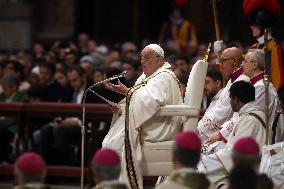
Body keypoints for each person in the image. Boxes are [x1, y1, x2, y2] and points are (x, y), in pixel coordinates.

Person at [102, 44, 183, 189]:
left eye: (147, 58)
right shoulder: (146, 77)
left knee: (113, 145)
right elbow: (139, 101)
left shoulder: (164, 77)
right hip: (150, 120)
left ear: (159, 60)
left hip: (160, 126)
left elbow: (150, 102)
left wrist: (127, 92)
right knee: (109, 143)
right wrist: (121, 108)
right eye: (141, 58)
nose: (142, 61)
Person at [198, 81, 266, 185]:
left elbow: (238, 153)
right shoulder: (249, 115)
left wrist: (207, 160)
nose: (230, 102)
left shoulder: (250, 120)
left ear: (236, 100)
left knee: (201, 166)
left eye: (230, 98)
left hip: (246, 170)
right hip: (239, 164)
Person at [205, 49, 278, 145]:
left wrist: (220, 134)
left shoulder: (261, 87)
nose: (242, 65)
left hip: (257, 137)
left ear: (254, 65)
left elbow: (245, 114)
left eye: (245, 61)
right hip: (247, 129)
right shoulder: (256, 84)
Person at [197, 47, 249, 142]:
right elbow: (217, 107)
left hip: (233, 134)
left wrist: (200, 129)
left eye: (223, 61)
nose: (221, 65)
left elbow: (223, 112)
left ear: (234, 61)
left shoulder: (242, 81)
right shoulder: (232, 80)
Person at [243, 0, 284, 90]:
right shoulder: (254, 47)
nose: (251, 27)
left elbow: (278, 80)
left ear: (263, 26)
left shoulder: (274, 47)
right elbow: (240, 69)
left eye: (255, 24)